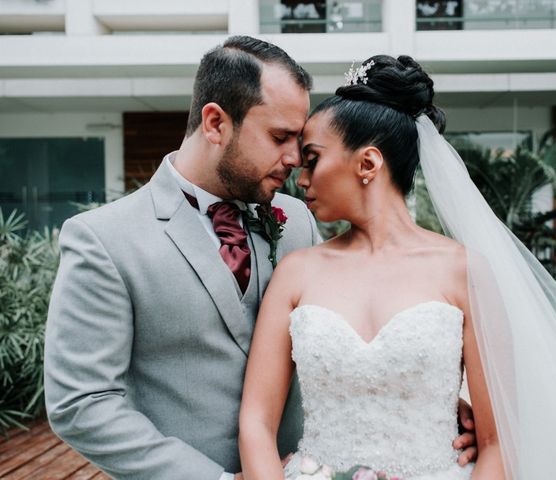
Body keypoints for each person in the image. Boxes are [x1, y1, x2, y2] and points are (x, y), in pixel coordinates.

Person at [44, 37, 477, 480]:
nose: (293, 159)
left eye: (301, 142)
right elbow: (82, 404)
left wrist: (425, 398)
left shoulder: (295, 219)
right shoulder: (105, 239)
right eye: (279, 137)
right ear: (215, 123)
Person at [238, 55, 556, 479]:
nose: (300, 179)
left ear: (368, 164)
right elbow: (256, 423)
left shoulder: (463, 272)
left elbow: (498, 443)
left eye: (313, 159)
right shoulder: (296, 273)